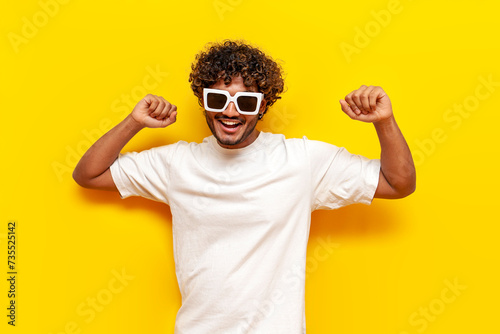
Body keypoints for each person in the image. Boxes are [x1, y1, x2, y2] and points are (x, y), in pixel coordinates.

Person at [73, 40, 416, 333]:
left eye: (246, 101)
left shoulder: (300, 161)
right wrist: (134, 122)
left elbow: (397, 183)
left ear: (263, 105)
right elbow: (88, 174)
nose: (231, 112)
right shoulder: (176, 164)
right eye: (218, 100)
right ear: (203, 101)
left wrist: (384, 122)